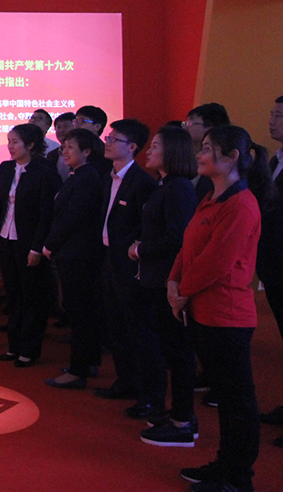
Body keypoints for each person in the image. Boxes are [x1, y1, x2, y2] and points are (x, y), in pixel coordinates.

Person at [167, 125, 271, 492]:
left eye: (208, 148)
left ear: (232, 157)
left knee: (237, 401)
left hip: (227, 315)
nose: (200, 153)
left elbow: (217, 262)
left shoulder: (242, 204)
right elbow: (189, 247)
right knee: (227, 400)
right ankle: (224, 466)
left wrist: (181, 292)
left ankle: (238, 478)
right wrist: (173, 281)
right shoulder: (211, 197)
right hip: (202, 311)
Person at [128, 126, 199, 447]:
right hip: (155, 278)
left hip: (166, 281)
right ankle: (173, 414)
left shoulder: (178, 188)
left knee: (177, 351)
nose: (149, 151)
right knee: (165, 347)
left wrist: (141, 249)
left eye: (155, 146)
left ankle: (183, 420)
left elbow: (177, 238)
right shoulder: (165, 185)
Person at [93, 119, 158, 411]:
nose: (107, 143)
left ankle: (145, 392)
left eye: (113, 139)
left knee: (136, 328)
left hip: (130, 264)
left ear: (131, 147)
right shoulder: (108, 177)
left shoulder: (142, 182)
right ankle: (125, 380)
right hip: (108, 258)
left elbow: (146, 228)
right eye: (108, 137)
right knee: (115, 324)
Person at [0, 123, 60, 367]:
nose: (10, 146)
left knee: (32, 296)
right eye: (9, 141)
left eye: (15, 142)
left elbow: (46, 214)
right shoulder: (6, 168)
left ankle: (29, 349)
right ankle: (13, 345)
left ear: (30, 145)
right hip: (5, 239)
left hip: (29, 243)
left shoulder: (45, 171)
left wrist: (37, 247)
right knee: (13, 294)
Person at [42, 128, 105, 389]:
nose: (64, 152)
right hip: (74, 252)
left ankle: (78, 370)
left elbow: (72, 218)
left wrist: (50, 244)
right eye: (63, 147)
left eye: (70, 147)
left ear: (87, 151)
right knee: (82, 310)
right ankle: (87, 362)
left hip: (78, 254)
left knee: (80, 311)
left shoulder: (87, 178)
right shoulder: (78, 175)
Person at [258, 94, 283, 449]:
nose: (272, 120)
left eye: (279, 115)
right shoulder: (275, 159)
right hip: (276, 268)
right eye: (272, 113)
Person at [184, 103, 231, 203]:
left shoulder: (223, 159)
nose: (186, 127)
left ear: (211, 128)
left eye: (190, 123)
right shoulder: (191, 154)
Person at [75, 105, 113, 178]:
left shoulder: (106, 153)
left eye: (82, 121)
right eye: (76, 121)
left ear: (97, 127)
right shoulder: (71, 149)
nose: (77, 124)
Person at [47, 112, 76, 183]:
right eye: (58, 127)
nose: (61, 130)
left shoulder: (81, 153)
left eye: (66, 126)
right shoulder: (51, 155)